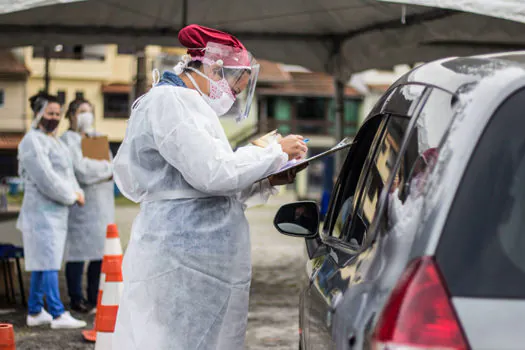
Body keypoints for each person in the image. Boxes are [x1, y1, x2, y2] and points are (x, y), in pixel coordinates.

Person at [111, 24, 307, 350]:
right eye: (233, 87)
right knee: (171, 341)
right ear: (212, 67)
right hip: (179, 259)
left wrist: (268, 176)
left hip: (195, 258)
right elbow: (214, 174)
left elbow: (213, 177)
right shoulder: (170, 103)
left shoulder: (190, 105)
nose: (232, 96)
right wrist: (274, 152)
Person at [17, 92, 87, 329]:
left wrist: (78, 192)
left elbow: (66, 173)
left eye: (58, 114)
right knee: (48, 263)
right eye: (50, 113)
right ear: (38, 114)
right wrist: (71, 196)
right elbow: (46, 178)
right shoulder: (32, 141)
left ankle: (35, 311)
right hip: (41, 214)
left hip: (55, 214)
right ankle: (57, 314)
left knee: (41, 262)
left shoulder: (54, 141)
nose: (55, 118)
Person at [61, 98, 114, 313]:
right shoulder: (68, 140)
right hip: (81, 208)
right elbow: (81, 170)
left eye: (90, 111)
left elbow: (112, 164)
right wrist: (105, 169)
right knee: (77, 254)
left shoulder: (96, 138)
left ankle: (94, 297)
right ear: (72, 115)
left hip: (103, 205)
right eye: (82, 111)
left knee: (98, 255)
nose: (87, 115)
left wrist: (103, 169)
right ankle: (76, 298)